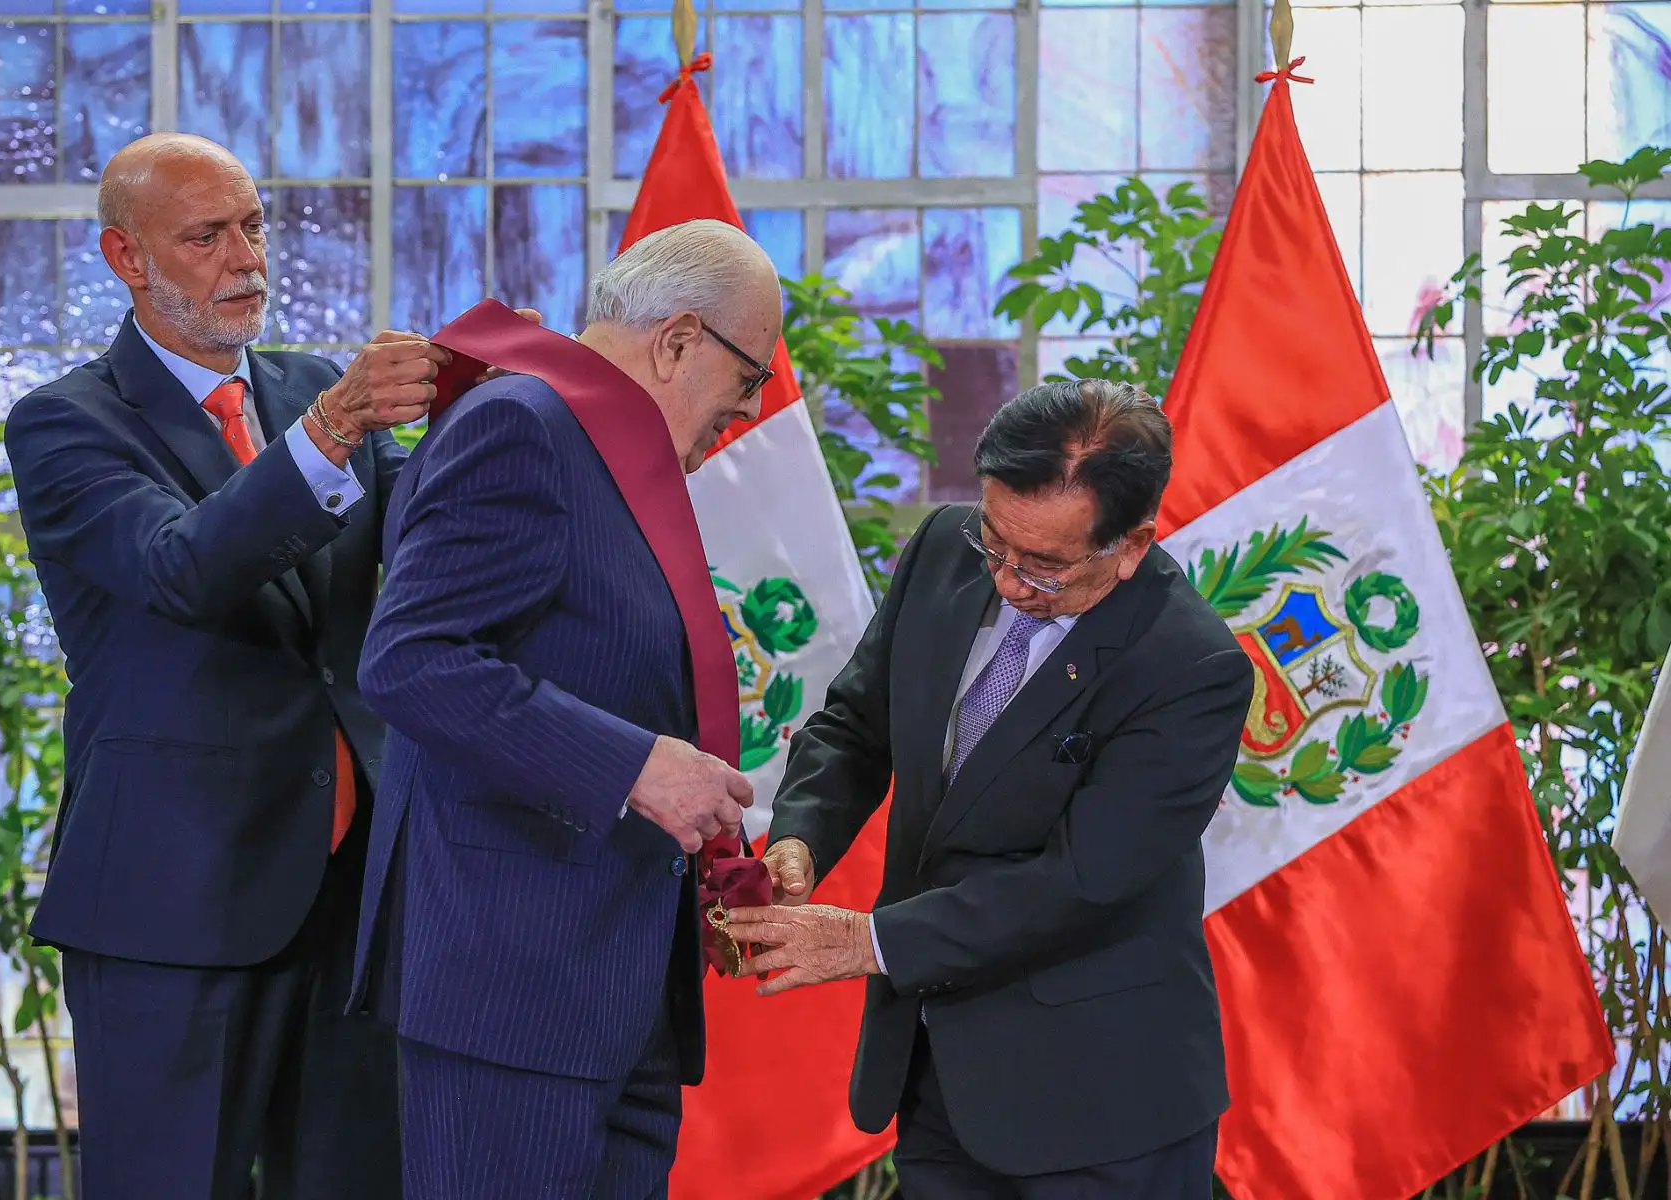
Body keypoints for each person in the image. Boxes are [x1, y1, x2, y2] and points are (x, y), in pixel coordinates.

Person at [5, 132, 529, 1200]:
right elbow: (185, 568)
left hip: (357, 893)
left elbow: (430, 559)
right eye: (206, 236)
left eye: (253, 225)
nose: (245, 257)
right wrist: (338, 426)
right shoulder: (66, 422)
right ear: (127, 257)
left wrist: (521, 419)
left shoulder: (308, 392)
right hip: (172, 905)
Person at [726, 380, 1255, 1199]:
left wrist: (869, 942)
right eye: (994, 541)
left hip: (1102, 1106)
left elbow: (1082, 883)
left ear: (1132, 544)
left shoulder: (1191, 667)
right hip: (938, 1078)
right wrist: (800, 836)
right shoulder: (944, 547)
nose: (1007, 581)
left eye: (1042, 566)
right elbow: (858, 723)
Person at [345, 218, 782, 1198]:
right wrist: (635, 766)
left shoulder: (609, 457)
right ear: (676, 342)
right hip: (514, 991)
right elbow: (410, 659)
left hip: (612, 991)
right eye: (749, 376)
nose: (748, 411)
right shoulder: (523, 426)